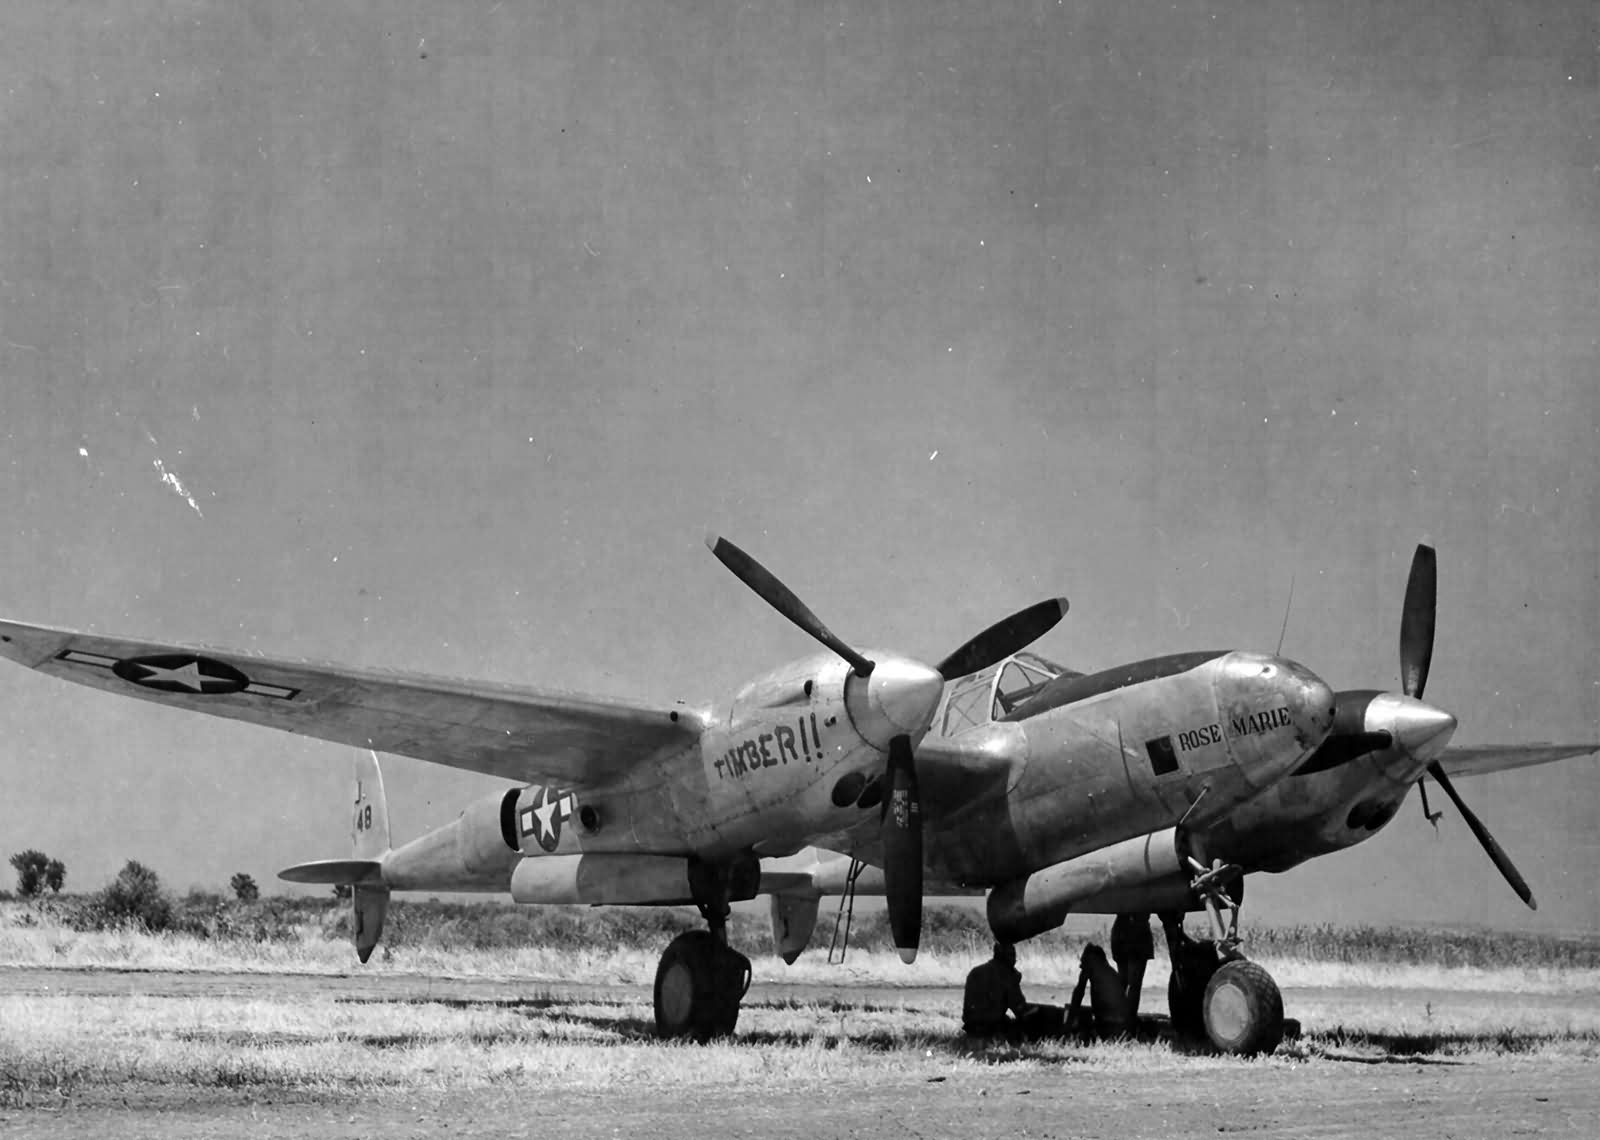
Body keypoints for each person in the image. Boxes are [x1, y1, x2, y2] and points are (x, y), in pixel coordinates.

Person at [962, 942, 1029, 1039]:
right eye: (1012, 955)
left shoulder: (976, 971)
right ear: (1006, 957)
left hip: (971, 1026)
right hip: (992, 1027)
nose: (1015, 960)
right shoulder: (1007, 975)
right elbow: (1019, 1009)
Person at [1066, 943, 1134, 1039]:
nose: (1081, 966)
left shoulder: (1092, 968)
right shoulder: (1111, 972)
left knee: (1082, 1017)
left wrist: (1068, 1024)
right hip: (1121, 1023)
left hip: (1107, 1023)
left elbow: (1078, 994)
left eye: (1083, 961)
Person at [1110, 912, 1155, 1018]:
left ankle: (1122, 1018)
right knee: (1133, 985)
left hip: (1123, 934)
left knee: (1126, 983)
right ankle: (1127, 1019)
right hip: (1136, 934)